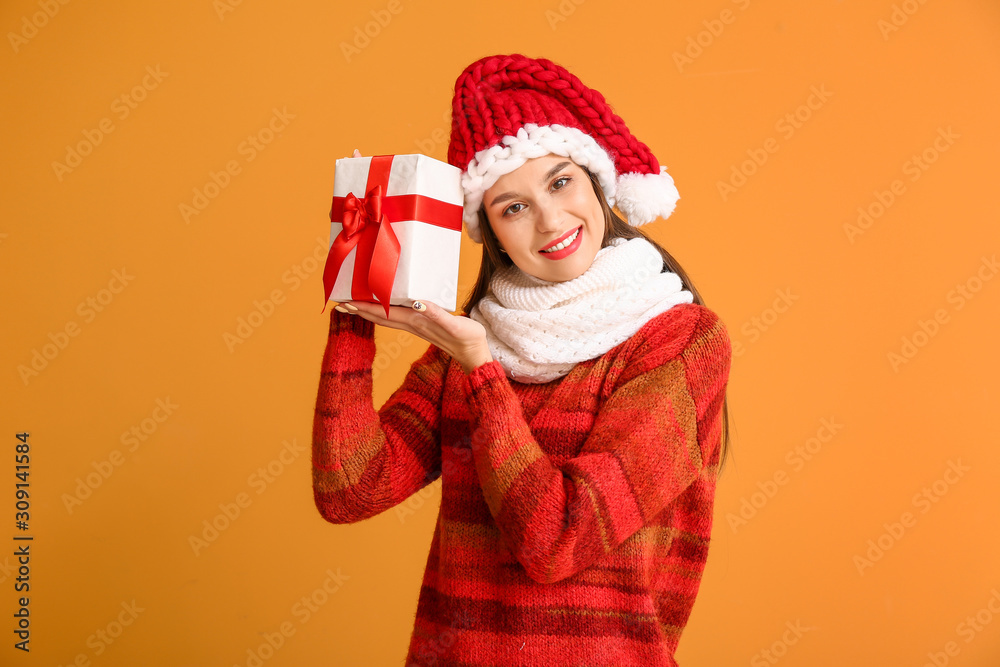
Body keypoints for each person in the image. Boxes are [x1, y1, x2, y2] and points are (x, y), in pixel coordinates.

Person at [312, 54, 733, 667]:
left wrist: (483, 373)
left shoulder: (679, 342)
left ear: (598, 185)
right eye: (512, 207)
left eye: (560, 183)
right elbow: (350, 489)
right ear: (492, 230)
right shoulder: (474, 340)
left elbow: (559, 540)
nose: (550, 220)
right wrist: (356, 299)